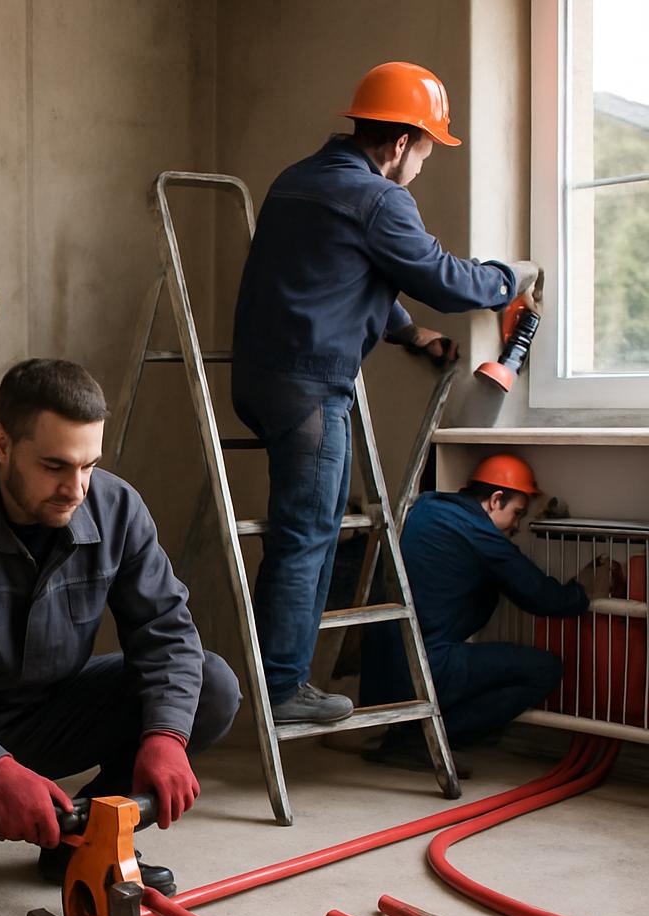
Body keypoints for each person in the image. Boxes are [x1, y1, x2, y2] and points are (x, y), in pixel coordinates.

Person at [0, 359, 241, 916]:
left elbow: (166, 631)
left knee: (211, 686)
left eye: (88, 466)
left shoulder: (117, 507)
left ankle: (84, 837)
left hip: (52, 711)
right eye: (55, 466)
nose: (75, 488)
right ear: (2, 444)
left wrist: (166, 735)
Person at [231, 60, 543, 726]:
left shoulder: (297, 181)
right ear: (400, 142)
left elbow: (335, 272)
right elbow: (447, 280)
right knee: (307, 535)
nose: (422, 165)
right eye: (426, 150)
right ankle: (281, 686)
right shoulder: (379, 199)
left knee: (304, 530)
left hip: (256, 382)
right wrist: (510, 279)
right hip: (311, 393)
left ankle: (272, 674)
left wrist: (409, 332)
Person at [359, 455, 615, 772]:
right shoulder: (479, 535)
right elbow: (543, 598)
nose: (517, 526)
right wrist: (583, 591)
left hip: (377, 671)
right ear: (495, 500)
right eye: (517, 513)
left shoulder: (427, 507)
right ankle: (422, 738)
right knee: (544, 669)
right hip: (422, 668)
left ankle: (410, 730)